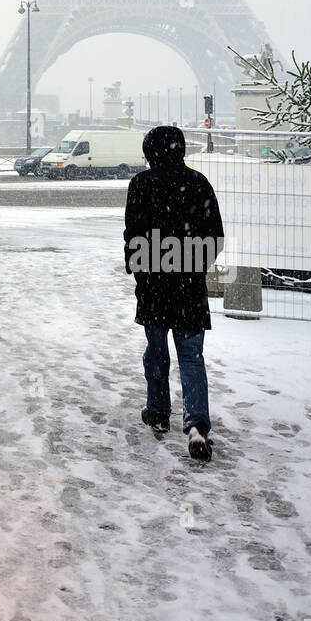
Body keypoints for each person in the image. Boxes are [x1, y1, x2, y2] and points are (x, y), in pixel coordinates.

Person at [123, 125, 224, 462]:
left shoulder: (140, 185)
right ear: (181, 150)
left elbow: (133, 235)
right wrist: (194, 265)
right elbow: (216, 235)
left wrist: (144, 271)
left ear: (150, 152)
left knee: (156, 352)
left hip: (154, 287)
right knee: (192, 358)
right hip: (189, 288)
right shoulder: (198, 183)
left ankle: (158, 411)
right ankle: (196, 424)